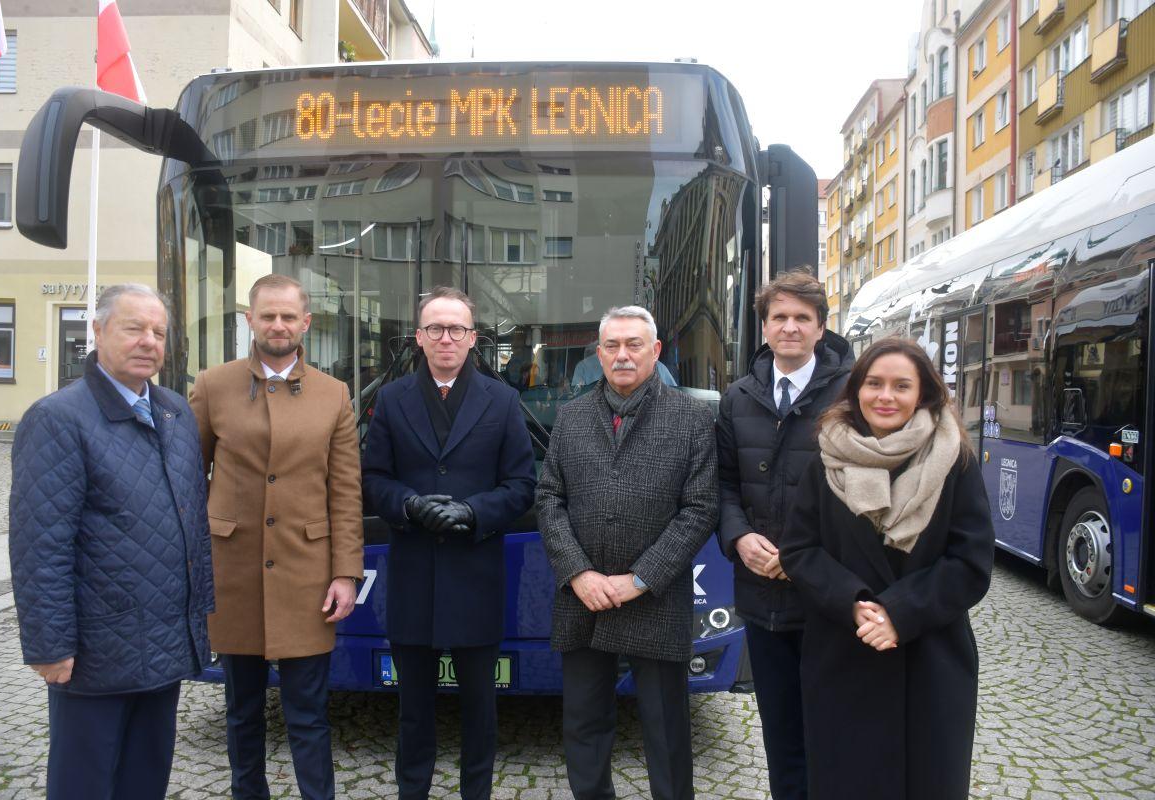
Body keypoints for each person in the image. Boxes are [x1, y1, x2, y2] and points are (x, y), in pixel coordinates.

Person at [9, 284, 214, 800]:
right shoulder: (58, 419)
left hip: (164, 641)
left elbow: (188, 522)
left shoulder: (174, 411)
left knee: (145, 780)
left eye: (159, 332)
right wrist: (49, 645)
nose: (148, 341)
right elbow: (41, 545)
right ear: (96, 332)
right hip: (96, 650)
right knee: (86, 783)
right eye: (133, 328)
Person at [779, 337, 995, 800]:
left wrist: (900, 612)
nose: (886, 396)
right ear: (856, 389)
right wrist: (854, 603)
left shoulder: (954, 460)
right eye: (874, 383)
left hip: (931, 663)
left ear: (924, 394)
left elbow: (971, 562)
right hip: (843, 654)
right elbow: (800, 550)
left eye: (901, 385)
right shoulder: (825, 460)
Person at [189, 274, 364, 800]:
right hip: (233, 573)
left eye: (289, 316)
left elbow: (346, 491)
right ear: (250, 319)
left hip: (305, 574)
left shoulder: (334, 394)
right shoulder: (212, 385)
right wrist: (195, 568)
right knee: (241, 711)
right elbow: (186, 479)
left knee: (308, 713)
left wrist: (346, 573)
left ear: (306, 323)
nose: (279, 325)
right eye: (268, 315)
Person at [536, 305, 717, 800]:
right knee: (584, 727)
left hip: (655, 599)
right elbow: (549, 497)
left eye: (633, 344)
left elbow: (700, 510)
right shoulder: (571, 417)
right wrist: (577, 573)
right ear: (598, 354)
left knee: (667, 733)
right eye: (611, 346)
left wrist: (639, 578)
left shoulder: (692, 418)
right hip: (583, 597)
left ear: (655, 351)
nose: (622, 355)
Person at [361, 286, 535, 800]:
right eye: (434, 328)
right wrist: (410, 505)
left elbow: (523, 486)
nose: (445, 338)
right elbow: (374, 479)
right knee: (413, 706)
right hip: (413, 572)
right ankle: (412, 790)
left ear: (472, 338)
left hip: (474, 573)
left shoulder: (502, 401)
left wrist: (472, 511)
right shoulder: (391, 399)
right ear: (418, 337)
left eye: (456, 329)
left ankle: (475, 793)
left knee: (480, 707)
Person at [714, 269, 852, 799]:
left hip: (827, 598)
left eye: (802, 318)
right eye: (780, 317)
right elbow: (724, 485)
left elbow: (863, 496)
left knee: (832, 731)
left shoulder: (852, 394)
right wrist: (739, 538)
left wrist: (802, 556)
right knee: (780, 734)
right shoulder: (738, 398)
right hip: (761, 598)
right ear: (764, 327)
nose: (790, 327)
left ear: (820, 328)